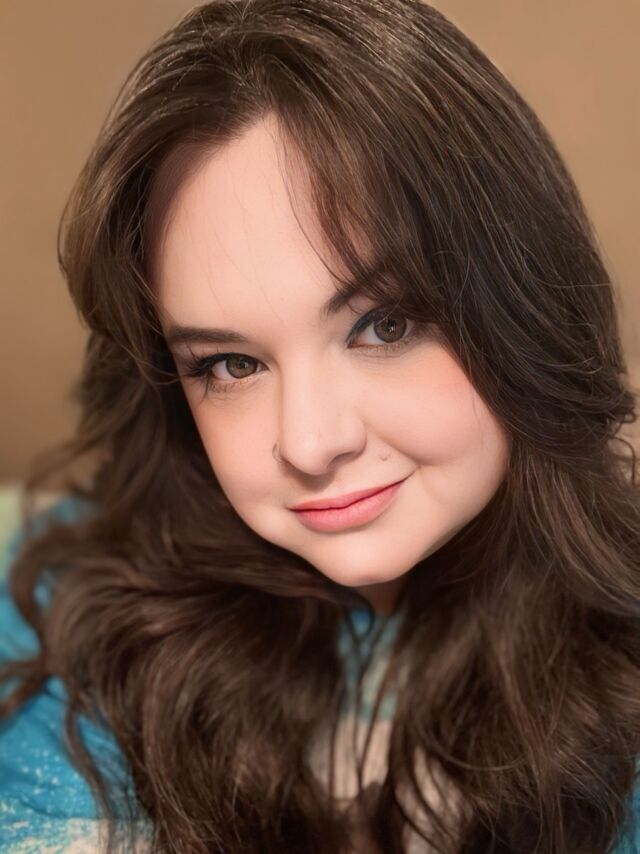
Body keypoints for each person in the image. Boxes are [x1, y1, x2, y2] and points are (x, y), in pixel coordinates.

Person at [1, 0, 639, 851]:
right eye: (230, 365)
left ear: (519, 303)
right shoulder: (63, 637)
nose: (308, 443)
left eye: (384, 325)